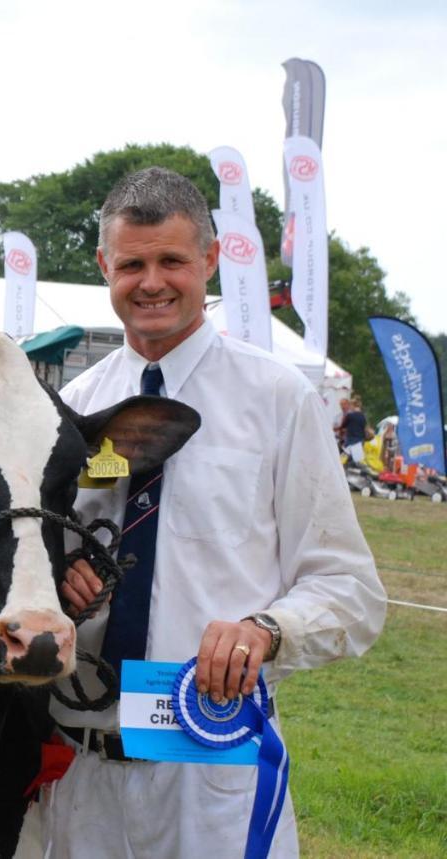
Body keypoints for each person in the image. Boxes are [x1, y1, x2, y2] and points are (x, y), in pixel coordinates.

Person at [39, 167, 385, 858]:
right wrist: (61, 578)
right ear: (105, 266)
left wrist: (266, 629)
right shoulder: (68, 409)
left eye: (172, 260)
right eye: (132, 263)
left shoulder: (278, 400)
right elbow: (31, 563)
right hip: (79, 776)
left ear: (211, 260)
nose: (152, 282)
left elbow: (352, 593)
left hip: (211, 770)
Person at [340, 394, 368, 464]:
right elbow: (363, 428)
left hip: (350, 442)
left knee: (343, 460)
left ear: (352, 405)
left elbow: (343, 426)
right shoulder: (363, 416)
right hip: (360, 442)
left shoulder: (350, 415)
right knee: (356, 461)